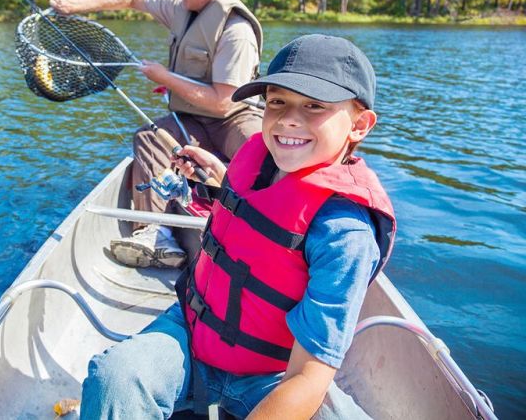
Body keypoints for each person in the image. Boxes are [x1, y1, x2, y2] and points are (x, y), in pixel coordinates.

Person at [78, 34, 397, 419]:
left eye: (315, 106)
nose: (289, 118)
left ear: (359, 125)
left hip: (273, 372)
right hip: (194, 335)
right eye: (277, 101)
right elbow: (258, 220)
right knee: (116, 379)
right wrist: (220, 177)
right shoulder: (259, 160)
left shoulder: (346, 234)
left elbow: (308, 378)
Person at [50, 0, 263, 269]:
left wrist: (166, 77)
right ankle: (154, 232)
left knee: (261, 151)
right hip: (191, 117)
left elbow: (223, 102)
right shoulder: (181, 5)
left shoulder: (237, 31)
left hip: (234, 116)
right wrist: (78, 5)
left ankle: (268, 230)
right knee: (149, 138)